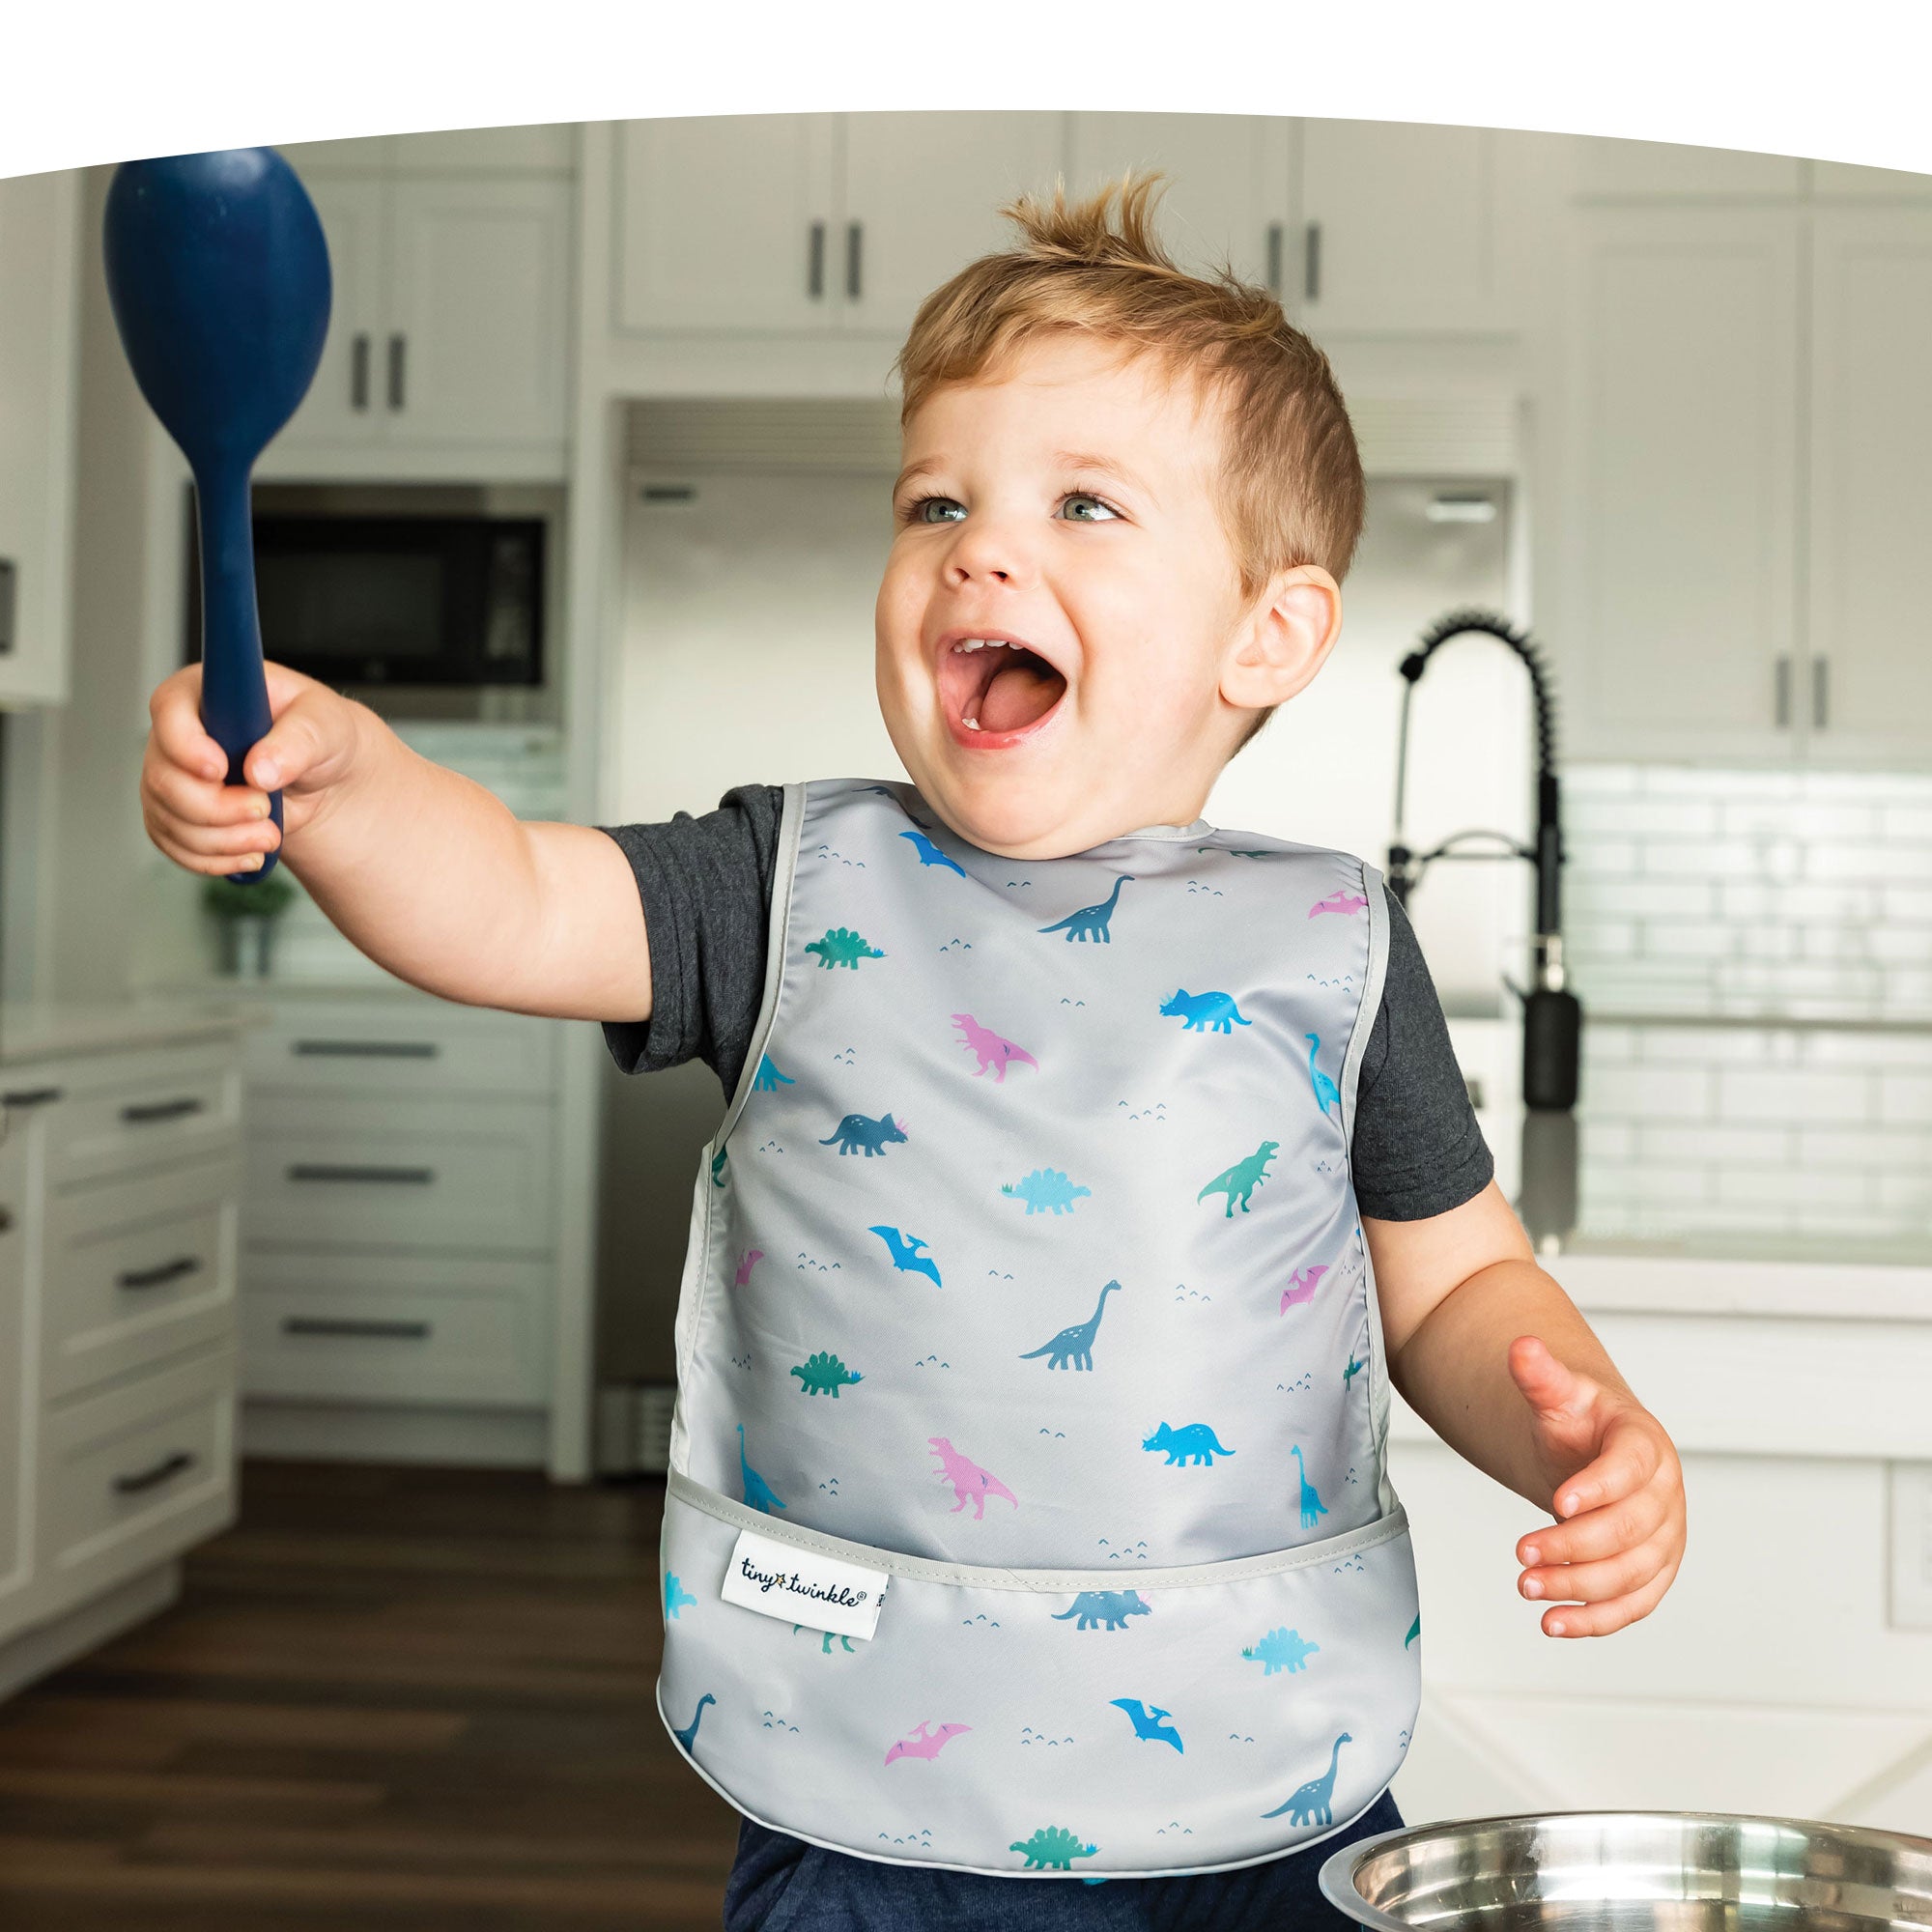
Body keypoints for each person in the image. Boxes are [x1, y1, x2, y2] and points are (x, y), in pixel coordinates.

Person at [140, 173, 1688, 1932]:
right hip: (870, 1779)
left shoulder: (1331, 947)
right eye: (936, 499)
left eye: (1085, 504)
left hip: (1267, 1795)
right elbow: (506, 899)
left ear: (1272, 633)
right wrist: (340, 781)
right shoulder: (786, 881)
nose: (981, 547)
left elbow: (1451, 1289)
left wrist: (1578, 1422)